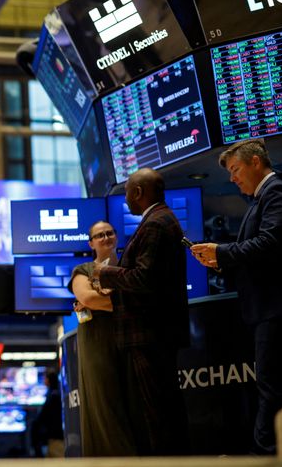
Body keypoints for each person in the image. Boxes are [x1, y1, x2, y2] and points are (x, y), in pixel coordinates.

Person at [191, 138, 282, 455]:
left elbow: (268, 245)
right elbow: (256, 255)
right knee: (278, 386)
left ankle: (264, 454)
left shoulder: (277, 193)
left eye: (236, 169)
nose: (232, 178)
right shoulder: (259, 201)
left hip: (280, 310)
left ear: (256, 163)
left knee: (273, 387)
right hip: (269, 310)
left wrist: (221, 253)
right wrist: (219, 262)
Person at [91, 168, 190, 456]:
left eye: (127, 194)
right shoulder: (161, 219)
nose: (126, 200)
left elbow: (143, 279)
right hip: (155, 331)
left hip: (150, 333)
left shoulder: (155, 224)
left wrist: (106, 273)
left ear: (137, 192)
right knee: (165, 409)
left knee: (159, 413)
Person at [68, 221, 136, 457]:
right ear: (91, 243)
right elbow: (88, 299)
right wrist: (131, 303)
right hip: (97, 345)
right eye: (99, 235)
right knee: (105, 406)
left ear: (116, 237)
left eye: (109, 233)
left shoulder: (131, 265)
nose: (106, 237)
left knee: (135, 407)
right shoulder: (83, 270)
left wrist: (106, 300)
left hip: (132, 342)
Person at [29, 369, 64, 458]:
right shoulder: (54, 394)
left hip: (56, 438)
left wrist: (36, 424)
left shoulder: (53, 396)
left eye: (45, 378)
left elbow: (44, 416)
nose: (44, 381)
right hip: (54, 437)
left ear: (49, 380)